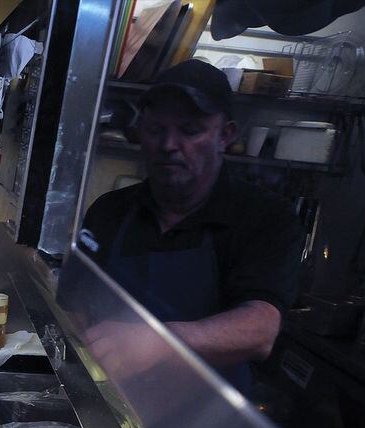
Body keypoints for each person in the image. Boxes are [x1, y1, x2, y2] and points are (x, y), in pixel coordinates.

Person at [77, 59, 302, 394]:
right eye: (156, 130)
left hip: (205, 424)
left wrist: (162, 342)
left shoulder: (266, 217)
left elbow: (261, 329)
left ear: (225, 135)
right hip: (115, 403)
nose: (168, 145)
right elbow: (77, 303)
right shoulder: (109, 211)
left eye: (190, 130)